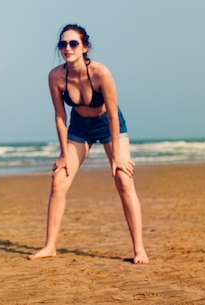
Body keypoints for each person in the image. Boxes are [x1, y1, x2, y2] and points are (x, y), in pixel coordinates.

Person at [28, 24, 149, 264]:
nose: (67, 48)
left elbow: (113, 115)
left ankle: (139, 249)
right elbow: (60, 116)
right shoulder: (56, 77)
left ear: (85, 47)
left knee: (124, 180)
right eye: (63, 44)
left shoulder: (101, 73)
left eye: (73, 43)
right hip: (80, 127)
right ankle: (50, 246)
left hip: (109, 124)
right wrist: (64, 154)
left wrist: (116, 156)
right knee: (59, 179)